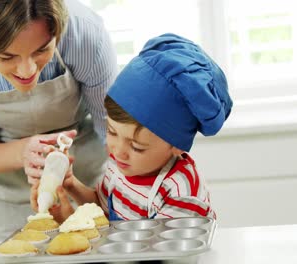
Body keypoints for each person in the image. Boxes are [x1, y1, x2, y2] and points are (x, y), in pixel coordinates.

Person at [0, 0, 117, 240]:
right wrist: (23, 152)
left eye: (41, 50)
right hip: (5, 195)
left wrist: (122, 196)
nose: (27, 71)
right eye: (6, 57)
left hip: (84, 178)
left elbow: (115, 131)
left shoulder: (84, 32)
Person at [31, 33, 233, 222]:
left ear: (177, 145)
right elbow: (103, 208)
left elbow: (158, 255)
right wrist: (71, 185)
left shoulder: (180, 191)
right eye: (112, 131)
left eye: (136, 146)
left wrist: (74, 225)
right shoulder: (120, 164)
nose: (118, 151)